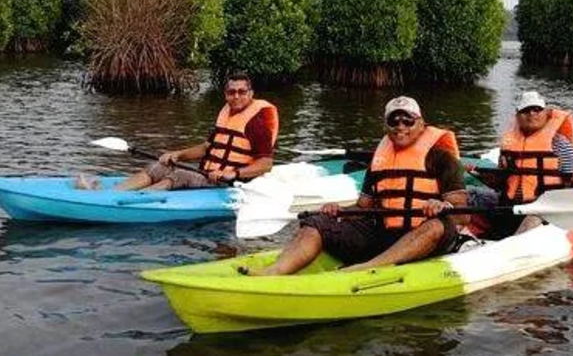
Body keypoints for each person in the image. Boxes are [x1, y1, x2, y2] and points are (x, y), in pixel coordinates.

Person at [247, 96, 473, 275]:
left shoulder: (442, 158)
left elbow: (462, 216)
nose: (400, 126)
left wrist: (440, 205)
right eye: (394, 121)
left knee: (435, 226)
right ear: (386, 125)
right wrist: (341, 211)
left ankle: (370, 267)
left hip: (428, 235)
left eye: (408, 120)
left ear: (421, 124)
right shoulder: (380, 159)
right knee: (317, 222)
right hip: (384, 234)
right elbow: (364, 207)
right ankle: (275, 271)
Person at [77, 72, 279, 190]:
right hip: (207, 174)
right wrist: (177, 154)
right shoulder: (227, 114)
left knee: (181, 175)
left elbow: (266, 164)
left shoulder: (257, 123)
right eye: (231, 92)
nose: (236, 96)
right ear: (226, 94)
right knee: (159, 166)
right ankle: (112, 192)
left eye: (242, 92)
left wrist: (232, 173)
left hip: (230, 184)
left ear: (250, 93)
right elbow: (206, 148)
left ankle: (130, 200)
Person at [470, 91, 573, 238]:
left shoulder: (561, 145)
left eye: (537, 109)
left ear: (545, 114)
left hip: (543, 207)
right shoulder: (508, 145)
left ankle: (512, 246)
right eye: (526, 110)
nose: (532, 114)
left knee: (533, 218)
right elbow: (503, 182)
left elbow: (569, 185)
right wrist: (483, 176)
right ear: (518, 115)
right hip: (511, 204)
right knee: (471, 195)